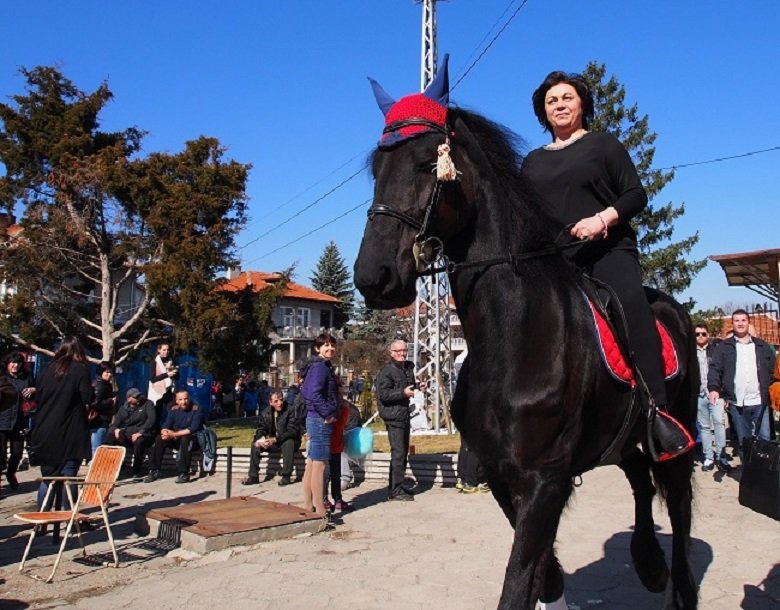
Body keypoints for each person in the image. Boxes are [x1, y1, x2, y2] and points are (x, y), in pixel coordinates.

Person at [521, 70, 690, 460]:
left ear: (582, 104)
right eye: (551, 101)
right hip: (556, 261)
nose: (559, 105)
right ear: (543, 113)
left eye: (567, 97)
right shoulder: (531, 162)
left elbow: (635, 194)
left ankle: (657, 412)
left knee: (630, 303)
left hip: (607, 251)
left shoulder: (603, 145)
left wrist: (602, 220)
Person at [29, 336, 93, 510]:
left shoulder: (48, 369)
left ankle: (42, 516)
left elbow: (39, 397)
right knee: (68, 476)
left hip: (45, 429)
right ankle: (69, 517)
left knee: (49, 478)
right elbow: (87, 397)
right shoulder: (80, 370)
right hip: (70, 430)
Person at [708, 309, 776, 462]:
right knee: (744, 442)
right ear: (732, 324)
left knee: (765, 441)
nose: (740, 323)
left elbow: (773, 371)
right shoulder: (723, 348)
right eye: (737, 320)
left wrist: (771, 389)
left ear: (748, 322)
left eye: (743, 320)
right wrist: (714, 389)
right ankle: (748, 473)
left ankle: (764, 473)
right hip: (738, 404)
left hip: (760, 402)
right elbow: (715, 369)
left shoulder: (762, 346)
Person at [376, 339, 427, 501]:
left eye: (404, 350)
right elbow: (383, 395)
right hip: (393, 416)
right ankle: (395, 490)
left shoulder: (407, 368)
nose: (402, 354)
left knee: (402, 453)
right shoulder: (387, 372)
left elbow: (408, 386)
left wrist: (418, 387)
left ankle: (397, 486)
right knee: (398, 453)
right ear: (391, 353)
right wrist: (402, 393)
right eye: (398, 351)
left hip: (404, 414)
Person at [300, 333, 339, 519]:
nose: (330, 348)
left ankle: (309, 507)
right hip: (320, 420)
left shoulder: (316, 366)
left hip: (314, 418)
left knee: (311, 464)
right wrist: (328, 414)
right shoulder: (320, 367)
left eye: (332, 345)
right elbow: (314, 394)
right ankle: (320, 511)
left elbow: (307, 391)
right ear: (318, 348)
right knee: (320, 466)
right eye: (326, 345)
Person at [241, 390, 301, 486]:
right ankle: (253, 476)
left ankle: (286, 476)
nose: (280, 403)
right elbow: (261, 429)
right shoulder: (265, 412)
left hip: (288, 440)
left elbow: (292, 431)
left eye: (281, 400)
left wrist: (276, 439)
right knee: (255, 444)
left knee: (288, 442)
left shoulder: (291, 410)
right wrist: (261, 439)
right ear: (270, 402)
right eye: (276, 401)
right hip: (273, 442)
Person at [144, 389, 203, 484]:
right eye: (180, 399)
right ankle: (154, 471)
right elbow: (166, 425)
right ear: (176, 401)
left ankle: (183, 473)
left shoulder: (196, 409)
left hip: (192, 439)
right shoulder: (174, 410)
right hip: (175, 437)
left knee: (186, 439)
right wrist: (165, 433)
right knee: (159, 439)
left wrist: (174, 434)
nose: (183, 402)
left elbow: (192, 429)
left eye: (186, 399)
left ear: (189, 398)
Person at [694, 325, 730, 472]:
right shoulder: (690, 352)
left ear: (708, 335)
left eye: (703, 333)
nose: (700, 336)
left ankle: (721, 456)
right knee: (704, 427)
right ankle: (708, 456)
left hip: (715, 392)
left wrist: (724, 393)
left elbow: (723, 372)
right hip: (699, 393)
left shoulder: (716, 350)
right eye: (697, 334)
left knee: (719, 423)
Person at [0, 352, 36, 490]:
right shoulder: (2, 377)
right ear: (7, 363)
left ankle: (11, 473)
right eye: (13, 362)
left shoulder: (27, 377)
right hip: (2, 420)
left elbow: (38, 390)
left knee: (17, 452)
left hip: (20, 420)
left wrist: (34, 389)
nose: (15, 365)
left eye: (18, 363)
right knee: (1, 454)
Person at [105, 387, 156, 476]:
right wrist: (116, 430)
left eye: (139, 396)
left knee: (139, 441)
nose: (139, 398)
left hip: (144, 434)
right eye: (136, 397)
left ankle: (136, 470)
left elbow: (151, 420)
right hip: (128, 434)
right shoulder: (123, 409)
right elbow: (114, 424)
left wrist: (141, 432)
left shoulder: (148, 404)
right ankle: (111, 465)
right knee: (110, 437)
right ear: (129, 399)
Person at [323, 399, 354, 513]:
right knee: (329, 474)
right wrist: (345, 408)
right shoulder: (338, 410)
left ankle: (333, 499)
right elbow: (342, 422)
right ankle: (328, 499)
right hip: (330, 444)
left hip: (333, 444)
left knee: (333, 474)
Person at [88, 361, 117, 459]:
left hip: (102, 420)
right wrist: (110, 401)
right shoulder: (100, 385)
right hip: (99, 420)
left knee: (97, 447)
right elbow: (95, 403)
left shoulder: (105, 384)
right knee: (96, 449)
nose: (109, 375)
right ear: (101, 372)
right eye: (107, 372)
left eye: (111, 372)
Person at [147, 343, 178, 423]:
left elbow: (177, 377)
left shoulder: (172, 361)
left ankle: (169, 427)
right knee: (157, 413)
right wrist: (167, 374)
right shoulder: (155, 362)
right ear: (159, 350)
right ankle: (156, 429)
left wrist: (175, 371)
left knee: (171, 410)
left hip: (169, 390)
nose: (166, 352)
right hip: (157, 392)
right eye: (164, 350)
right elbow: (153, 379)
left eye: (168, 350)